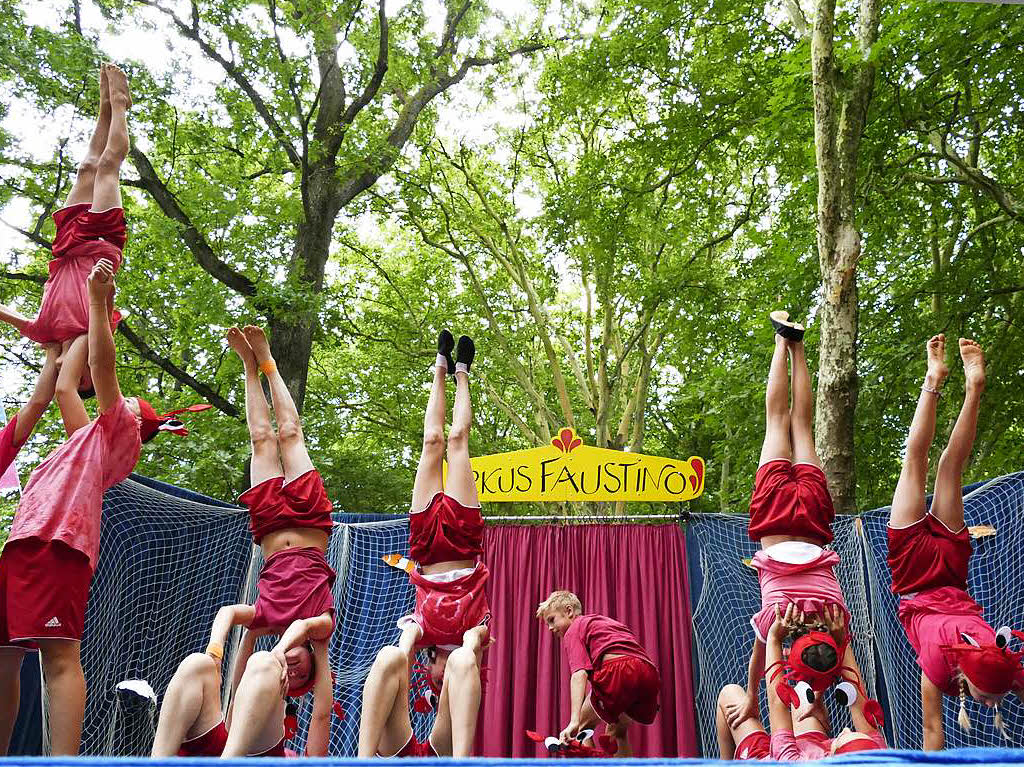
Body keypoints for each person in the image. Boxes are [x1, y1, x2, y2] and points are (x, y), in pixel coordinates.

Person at [0, 259, 199, 755]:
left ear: (136, 422)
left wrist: (98, 304)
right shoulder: (82, 439)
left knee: (59, 659)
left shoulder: (118, 435)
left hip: (59, 547)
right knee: (3, 657)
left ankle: (64, 761)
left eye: (130, 401)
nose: (124, 397)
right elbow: (66, 385)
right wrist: (80, 335)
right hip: (22, 547)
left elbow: (102, 370)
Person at [887, 335, 1024, 749]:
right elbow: (933, 735)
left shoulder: (1007, 665)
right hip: (917, 575)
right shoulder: (938, 665)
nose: (989, 703)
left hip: (948, 568)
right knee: (925, 463)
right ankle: (938, 378)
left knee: (945, 466)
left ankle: (966, 386)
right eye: (988, 698)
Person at [358, 330, 489, 758]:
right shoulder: (474, 636)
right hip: (464, 545)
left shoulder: (420, 629)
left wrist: (420, 648)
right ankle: (452, 370)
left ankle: (452, 368)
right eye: (438, 676)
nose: (438, 676)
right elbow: (467, 652)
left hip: (426, 547)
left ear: (429, 664)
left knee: (444, 443)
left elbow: (407, 650)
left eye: (433, 673)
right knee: (445, 443)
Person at [731, 311, 851, 726]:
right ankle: (782, 342)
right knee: (778, 421)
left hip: (814, 523)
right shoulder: (775, 622)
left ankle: (797, 347)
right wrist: (750, 700)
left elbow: (850, 671)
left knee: (802, 424)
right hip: (776, 526)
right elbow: (758, 661)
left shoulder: (836, 620)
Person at [0, 64, 130, 409]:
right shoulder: (97, 327)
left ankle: (104, 106)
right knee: (107, 170)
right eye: (84, 375)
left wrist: (55, 356)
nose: (73, 370)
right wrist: (75, 361)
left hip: (67, 245)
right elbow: (101, 324)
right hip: (100, 244)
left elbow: (6, 314)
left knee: (87, 167)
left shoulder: (44, 331)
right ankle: (120, 104)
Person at [150, 613, 333, 757]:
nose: (293, 673)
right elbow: (237, 693)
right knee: (198, 664)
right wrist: (249, 635)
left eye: (300, 678)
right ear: (306, 649)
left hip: (248, 757)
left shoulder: (291, 756)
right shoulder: (239, 708)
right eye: (303, 673)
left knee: (266, 663)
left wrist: (320, 643)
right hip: (220, 753)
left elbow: (322, 715)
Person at [716, 605, 886, 760]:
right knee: (803, 701)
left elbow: (777, 702)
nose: (845, 729)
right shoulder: (876, 756)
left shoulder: (791, 762)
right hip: (812, 749)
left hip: (765, 760)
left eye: (844, 736)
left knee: (729, 693)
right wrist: (842, 641)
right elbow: (860, 701)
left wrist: (774, 638)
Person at [536, 590, 660, 757]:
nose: (550, 628)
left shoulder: (574, 629)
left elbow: (579, 674)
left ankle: (589, 757)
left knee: (581, 727)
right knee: (618, 731)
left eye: (552, 620)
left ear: (569, 611)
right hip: (649, 673)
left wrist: (573, 721)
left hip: (619, 671)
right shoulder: (603, 622)